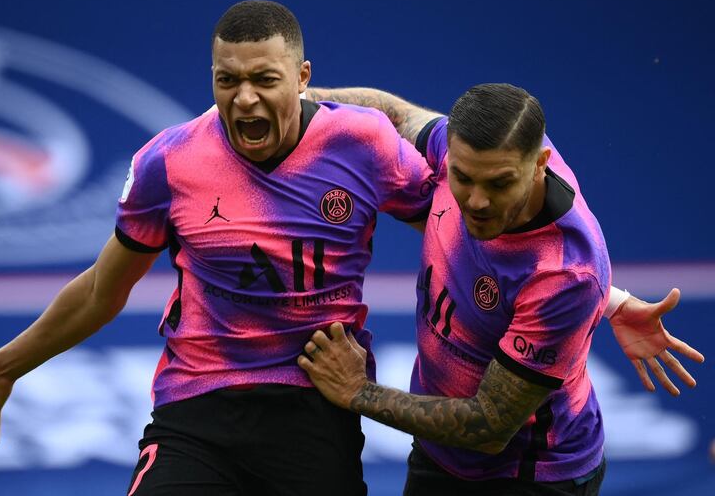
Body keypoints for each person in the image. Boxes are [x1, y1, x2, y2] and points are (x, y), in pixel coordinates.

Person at [0, 0, 695, 496]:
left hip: (342, 410)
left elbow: (516, 272)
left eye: (267, 80)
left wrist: (603, 293)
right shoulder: (172, 161)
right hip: (200, 401)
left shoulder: (383, 162)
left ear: (304, 78)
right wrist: (5, 363)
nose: (244, 99)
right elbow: (102, 288)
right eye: (229, 80)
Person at [299, 83, 705, 495]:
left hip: (530, 474)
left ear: (540, 165)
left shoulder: (564, 272)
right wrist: (293, 97)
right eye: (463, 177)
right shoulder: (469, 151)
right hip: (439, 453)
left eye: (499, 184)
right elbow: (396, 115)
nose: (475, 201)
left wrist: (358, 392)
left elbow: (489, 425)